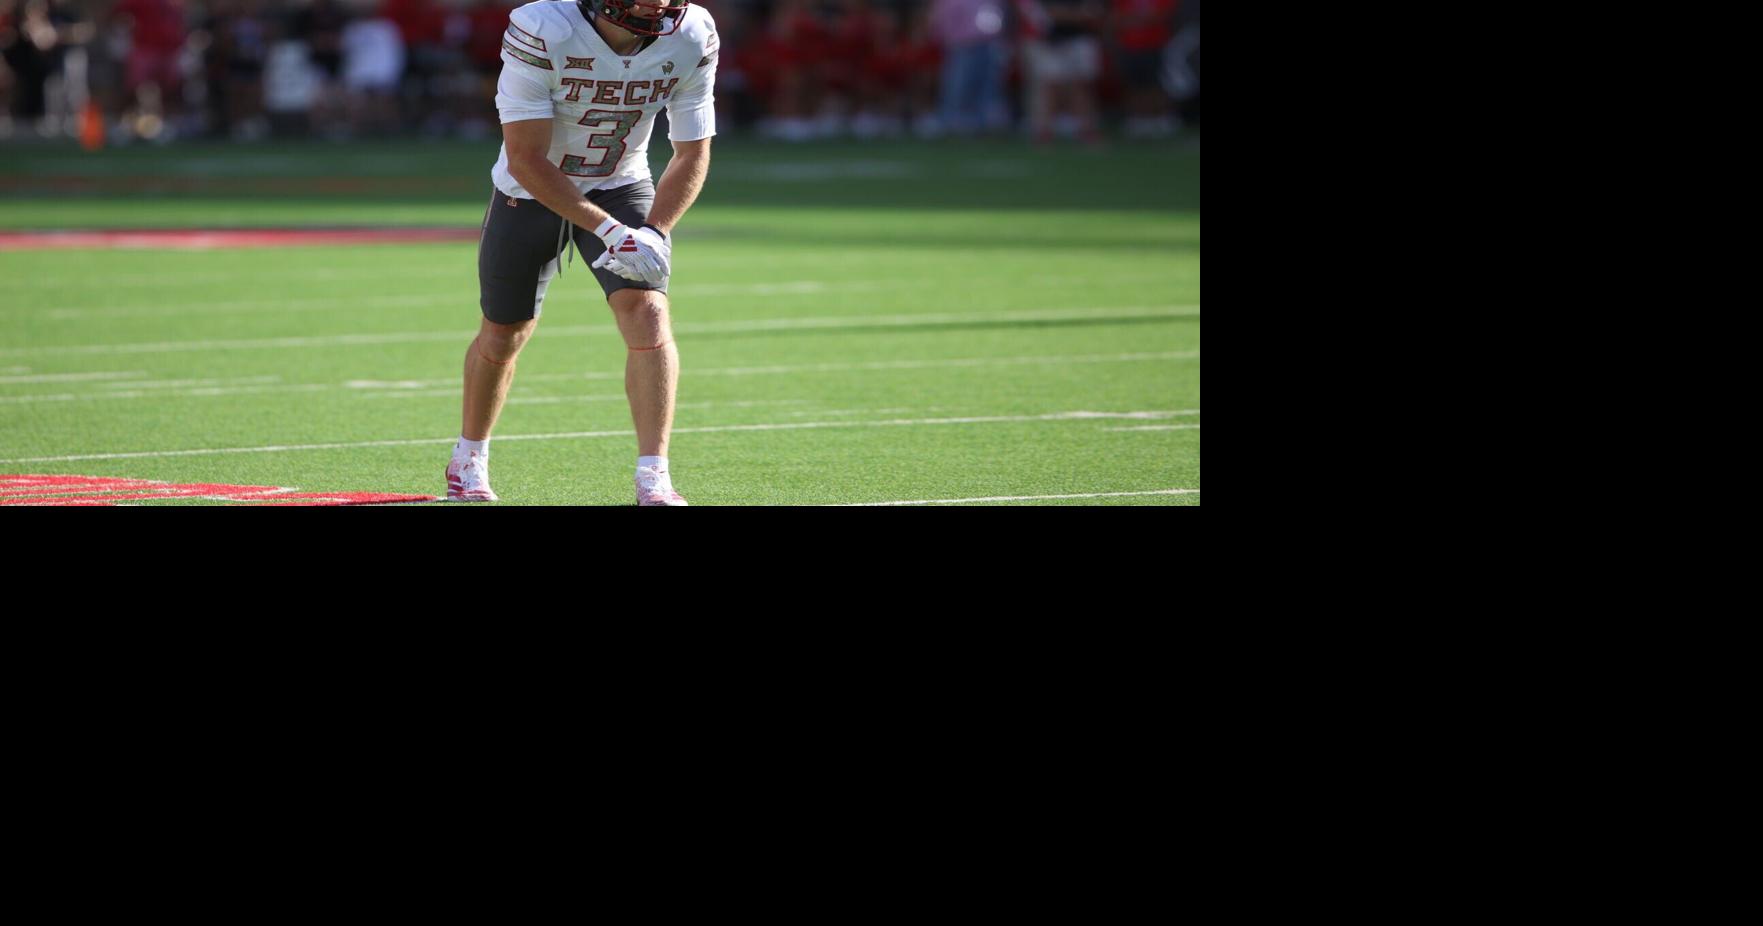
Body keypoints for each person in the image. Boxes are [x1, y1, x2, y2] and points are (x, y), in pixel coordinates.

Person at [447, 0, 717, 506]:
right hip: (530, 189)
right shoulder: (543, 27)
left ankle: (653, 474)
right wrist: (612, 232)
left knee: (649, 314)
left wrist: (654, 231)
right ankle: (468, 456)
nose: (659, 2)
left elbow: (692, 151)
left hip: (622, 180)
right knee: (504, 332)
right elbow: (526, 158)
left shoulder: (694, 31)